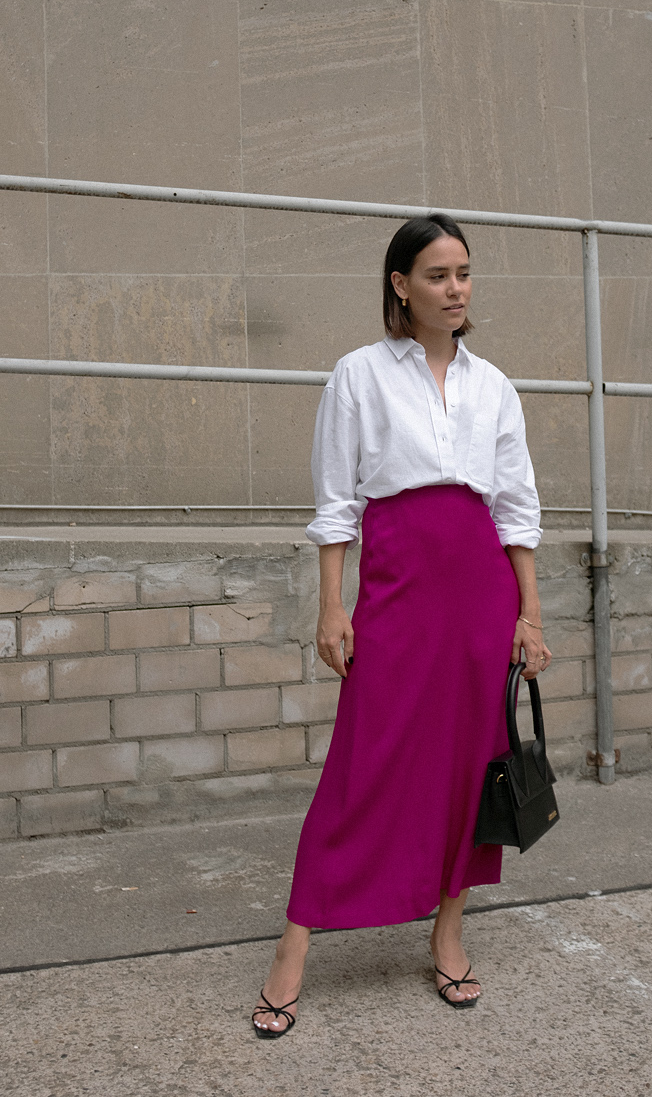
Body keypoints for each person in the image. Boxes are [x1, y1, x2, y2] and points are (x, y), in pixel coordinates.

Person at [250, 213, 552, 1038]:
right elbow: (336, 503)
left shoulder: (494, 386)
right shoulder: (358, 374)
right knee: (364, 761)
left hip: (481, 591)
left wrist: (528, 615)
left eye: (464, 274)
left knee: (473, 764)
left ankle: (448, 935)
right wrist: (332, 606)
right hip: (397, 583)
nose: (455, 290)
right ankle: (292, 949)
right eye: (438, 275)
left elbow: (516, 509)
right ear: (400, 284)